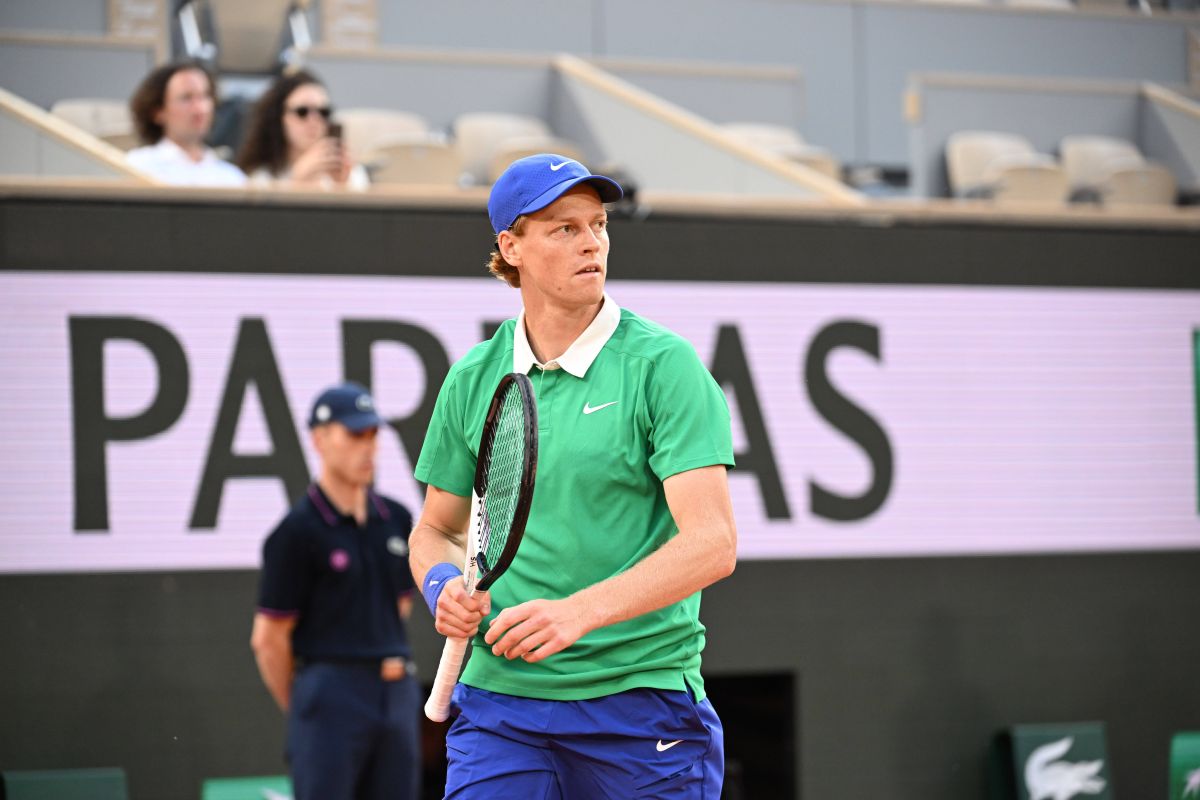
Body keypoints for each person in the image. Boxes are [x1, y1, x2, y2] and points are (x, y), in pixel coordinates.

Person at [410, 153, 738, 798]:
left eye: (598, 225)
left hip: (640, 703)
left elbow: (713, 543)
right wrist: (442, 585)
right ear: (512, 247)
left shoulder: (664, 366)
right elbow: (436, 530)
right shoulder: (473, 378)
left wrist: (580, 613)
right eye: (565, 228)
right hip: (500, 706)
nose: (592, 242)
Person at [251, 382, 419, 800]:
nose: (368, 447)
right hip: (331, 696)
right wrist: (310, 705)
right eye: (355, 434)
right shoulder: (296, 533)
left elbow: (400, 603)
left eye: (373, 434)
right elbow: (269, 639)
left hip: (397, 693)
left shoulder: (396, 518)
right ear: (319, 439)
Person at [237, 70, 369, 191]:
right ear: (279, 118)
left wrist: (342, 186)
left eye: (323, 112)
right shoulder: (261, 178)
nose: (314, 121)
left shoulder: (351, 172)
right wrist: (296, 183)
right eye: (302, 112)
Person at [126, 61, 247, 187]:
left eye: (205, 96)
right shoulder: (136, 167)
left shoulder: (232, 178)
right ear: (158, 112)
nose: (200, 109)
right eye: (186, 98)